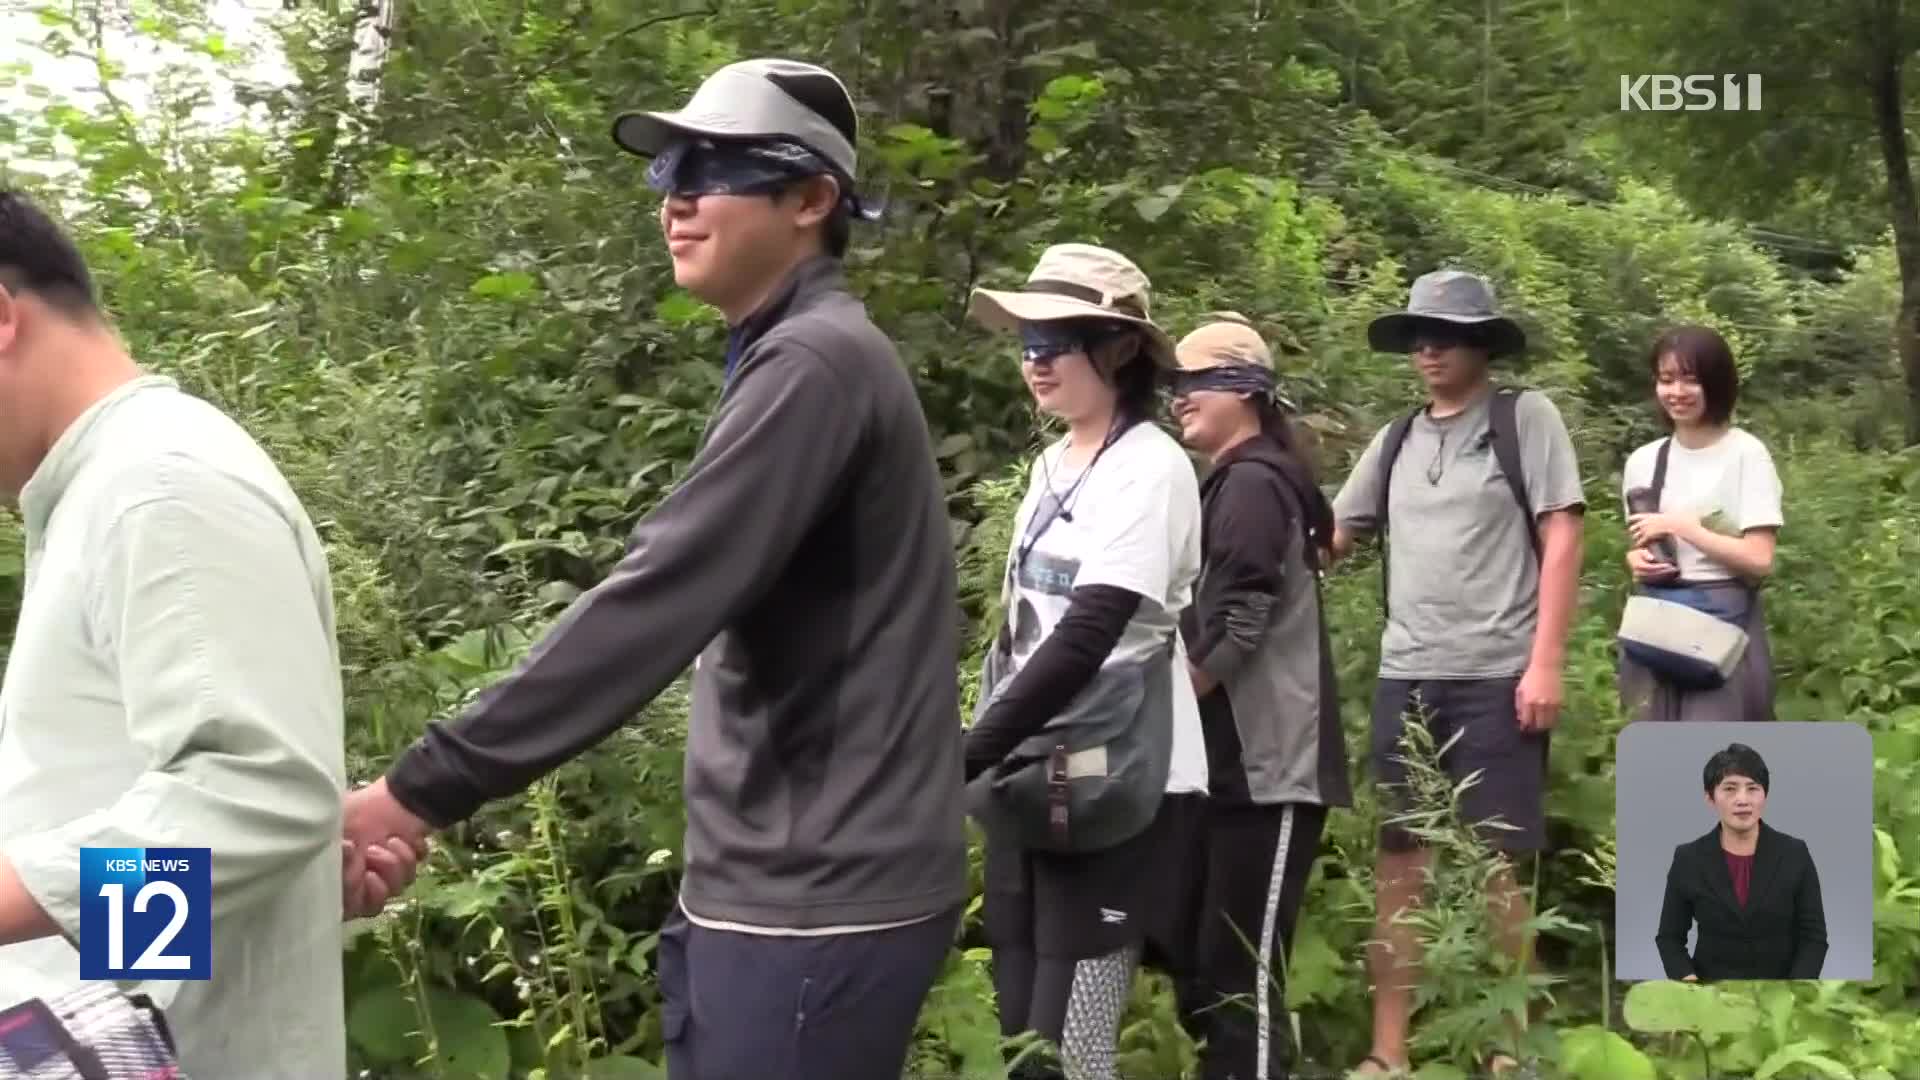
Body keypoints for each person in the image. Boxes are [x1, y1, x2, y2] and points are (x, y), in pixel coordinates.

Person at [340, 59, 969, 1080]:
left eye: (718, 166)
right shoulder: (795, 353)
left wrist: (415, 792)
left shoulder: (814, 363)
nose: (677, 193)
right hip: (771, 889)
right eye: (671, 166)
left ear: (812, 199)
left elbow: (657, 599)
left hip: (814, 899)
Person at [0, 190, 349, 1076]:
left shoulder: (156, 486)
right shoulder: (101, 490)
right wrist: (279, 895)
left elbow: (254, 795)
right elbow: (234, 823)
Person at [1328, 270, 1585, 1077]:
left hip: (1496, 674)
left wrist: (1545, 660)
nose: (1427, 348)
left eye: (1444, 334)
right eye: (1417, 335)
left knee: (1495, 865)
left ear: (1482, 344)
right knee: (1401, 865)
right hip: (1407, 675)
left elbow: (1564, 533)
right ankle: (1388, 1052)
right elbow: (1334, 534)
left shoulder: (1522, 418)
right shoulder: (1399, 437)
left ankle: (1514, 1050)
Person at [961, 243, 1203, 1080]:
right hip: (1029, 772)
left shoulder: (1152, 468)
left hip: (1113, 780)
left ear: (1121, 349)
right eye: (1027, 341)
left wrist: (967, 750)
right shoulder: (1051, 465)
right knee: (1020, 1037)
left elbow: (1089, 631)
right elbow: (1024, 630)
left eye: (1058, 340)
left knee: (1075, 1043)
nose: (1036, 361)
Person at [1161, 314, 1354, 1080]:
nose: (1178, 398)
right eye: (1173, 385)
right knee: (1202, 971)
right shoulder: (1240, 479)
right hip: (1223, 767)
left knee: (1240, 980)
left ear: (1246, 387)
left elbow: (1237, 629)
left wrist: (1162, 707)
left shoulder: (1252, 484)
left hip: (1268, 766)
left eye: (1194, 382)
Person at [1619, 325, 1781, 723]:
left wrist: (1685, 527)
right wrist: (1637, 560)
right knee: (1654, 757)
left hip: (1721, 623)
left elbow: (1760, 560)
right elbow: (1642, 540)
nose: (1677, 392)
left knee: (1717, 762)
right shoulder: (1644, 460)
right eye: (1666, 379)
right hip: (1656, 621)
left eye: (1691, 380)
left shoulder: (1746, 454)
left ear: (1718, 382)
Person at [1655, 742, 1827, 981]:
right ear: (1710, 798)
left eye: (1752, 788)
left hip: (1780, 996)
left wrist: (1796, 992)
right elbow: (1669, 938)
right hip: (1711, 996)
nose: (1742, 799)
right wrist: (1690, 986)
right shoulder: (1688, 858)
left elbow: (1814, 937)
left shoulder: (1794, 853)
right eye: (1730, 789)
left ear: (1765, 795)